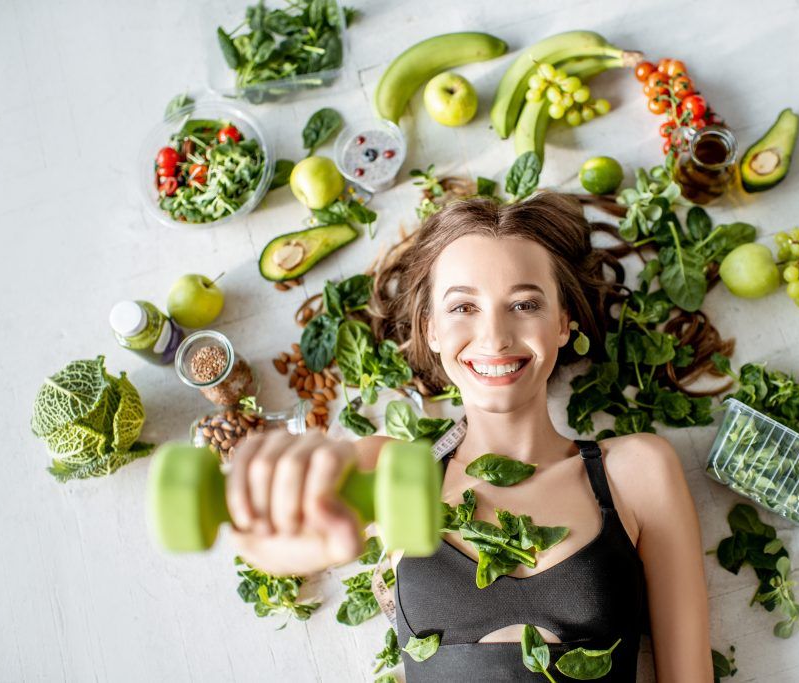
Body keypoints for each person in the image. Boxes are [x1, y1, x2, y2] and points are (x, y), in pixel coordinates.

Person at [227, 192, 713, 682]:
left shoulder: (636, 472)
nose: (494, 336)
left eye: (524, 303)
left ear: (564, 323)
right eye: (463, 307)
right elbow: (269, 544)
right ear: (432, 330)